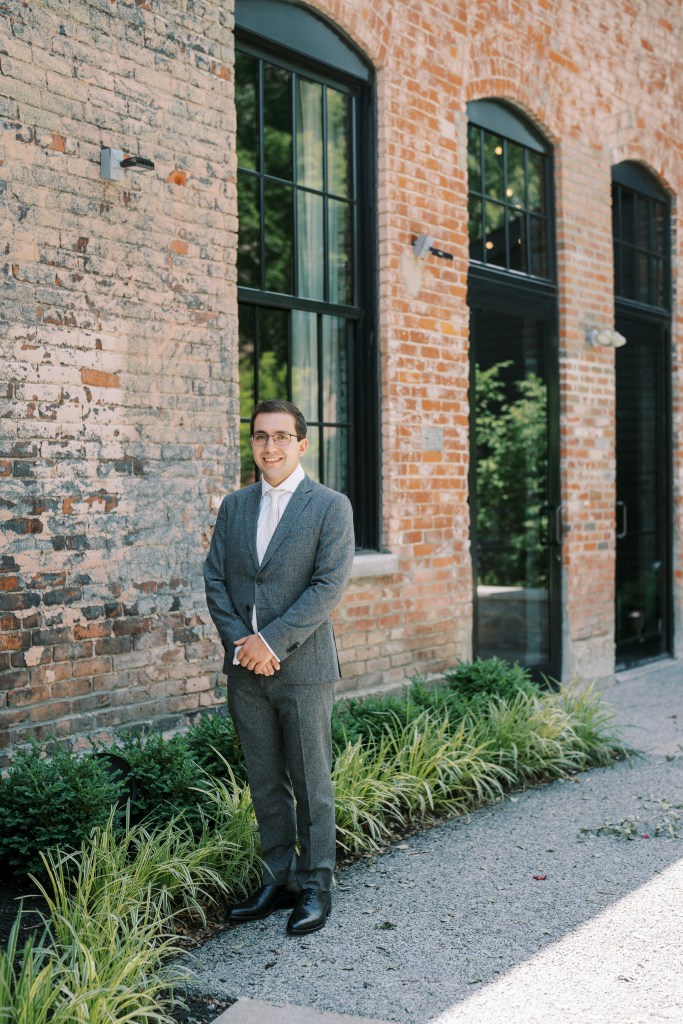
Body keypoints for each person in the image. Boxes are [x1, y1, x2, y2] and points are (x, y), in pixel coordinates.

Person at [204, 399, 355, 935]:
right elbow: (215, 579)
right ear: (253, 443)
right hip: (244, 668)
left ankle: (316, 884)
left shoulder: (330, 506)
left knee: (312, 782)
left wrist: (270, 642)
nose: (270, 447)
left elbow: (327, 586)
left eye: (281, 437)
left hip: (304, 667)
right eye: (261, 436)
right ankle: (278, 878)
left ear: (302, 444)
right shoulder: (235, 506)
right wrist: (243, 644)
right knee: (265, 779)